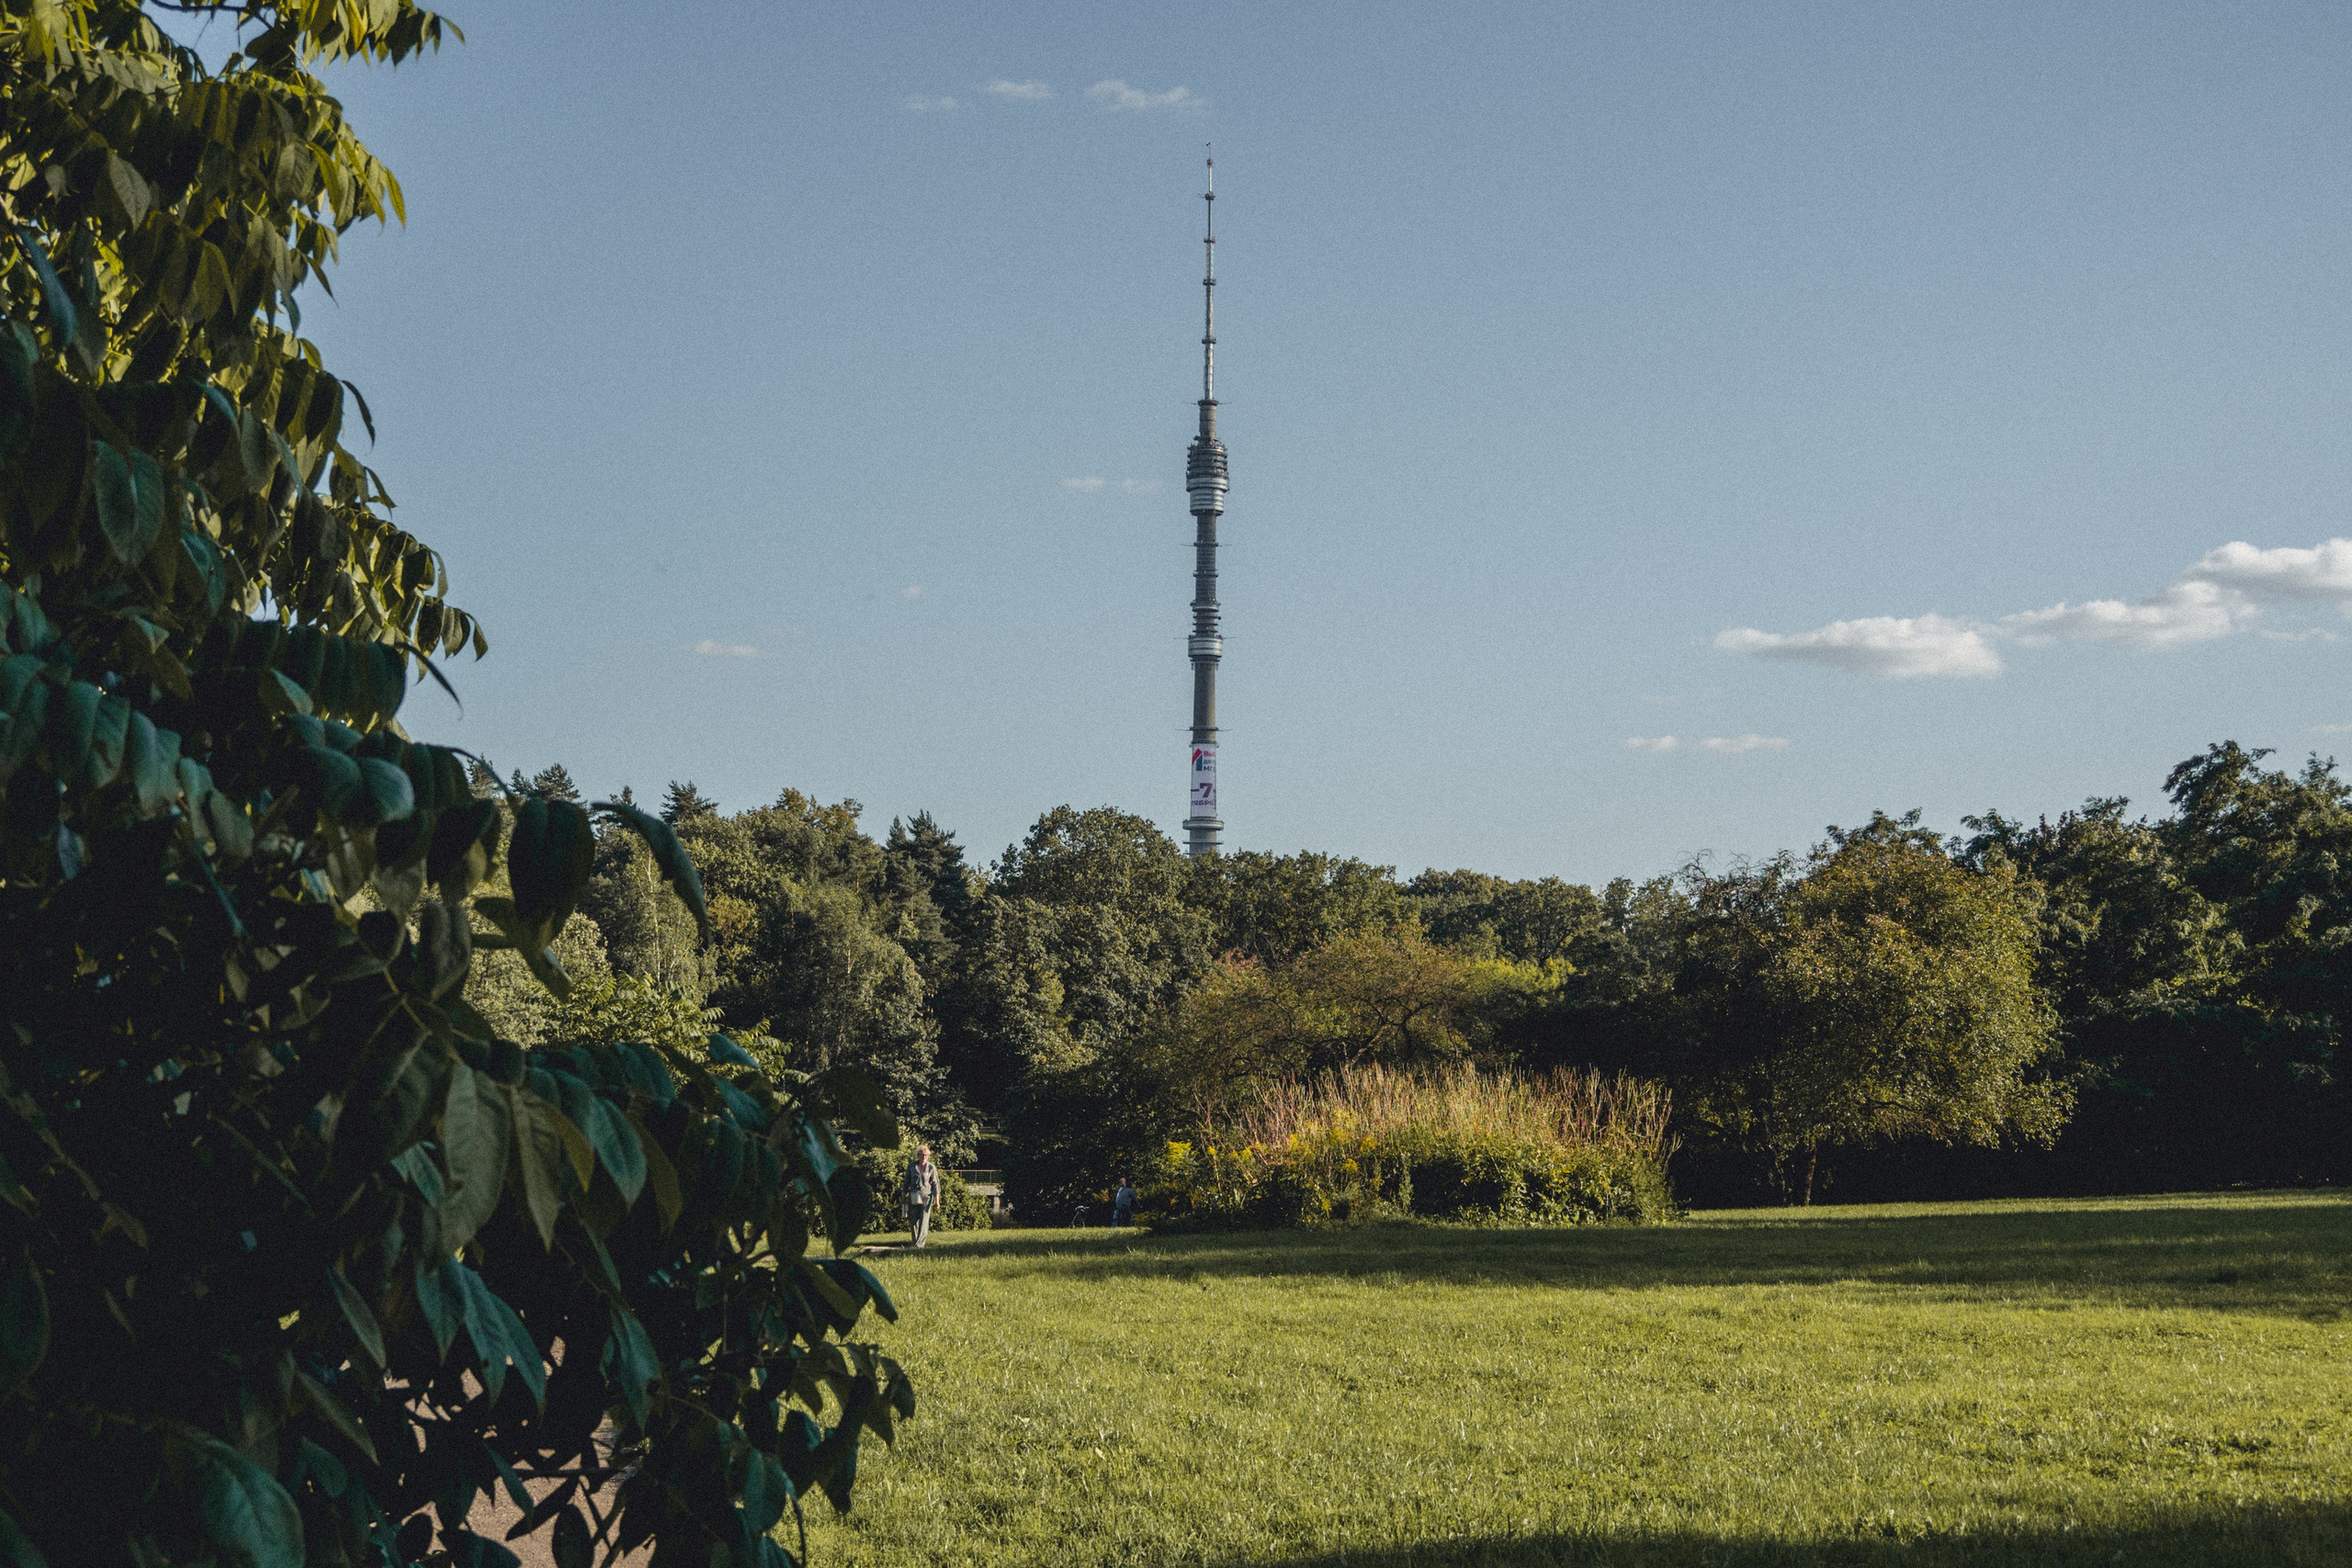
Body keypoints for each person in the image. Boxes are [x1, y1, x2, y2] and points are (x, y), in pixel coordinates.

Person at [902, 1145, 942, 1248]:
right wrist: (904, 1196)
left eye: (926, 1155)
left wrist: (937, 1201)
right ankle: (915, 1242)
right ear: (918, 1155)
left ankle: (919, 1245)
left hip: (927, 1196)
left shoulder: (931, 1167)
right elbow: (906, 1182)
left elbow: (936, 1184)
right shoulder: (911, 1166)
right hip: (914, 1195)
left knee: (924, 1221)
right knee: (913, 1220)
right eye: (921, 1155)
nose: (924, 1157)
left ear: (928, 1156)